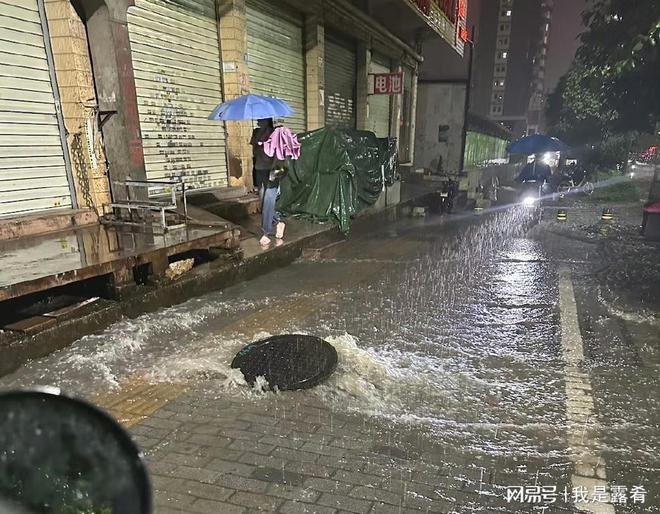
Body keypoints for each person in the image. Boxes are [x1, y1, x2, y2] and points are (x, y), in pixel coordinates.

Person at [259, 159, 287, 247]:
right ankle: (277, 223)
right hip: (261, 165)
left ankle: (266, 233)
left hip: (276, 165)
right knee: (263, 201)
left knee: (269, 197)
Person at [250, 118, 275, 195]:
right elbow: (253, 148)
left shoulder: (273, 132)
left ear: (267, 121)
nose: (258, 121)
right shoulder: (256, 131)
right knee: (261, 190)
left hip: (270, 166)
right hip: (259, 165)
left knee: (270, 191)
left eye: (260, 119)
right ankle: (264, 206)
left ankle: (269, 207)